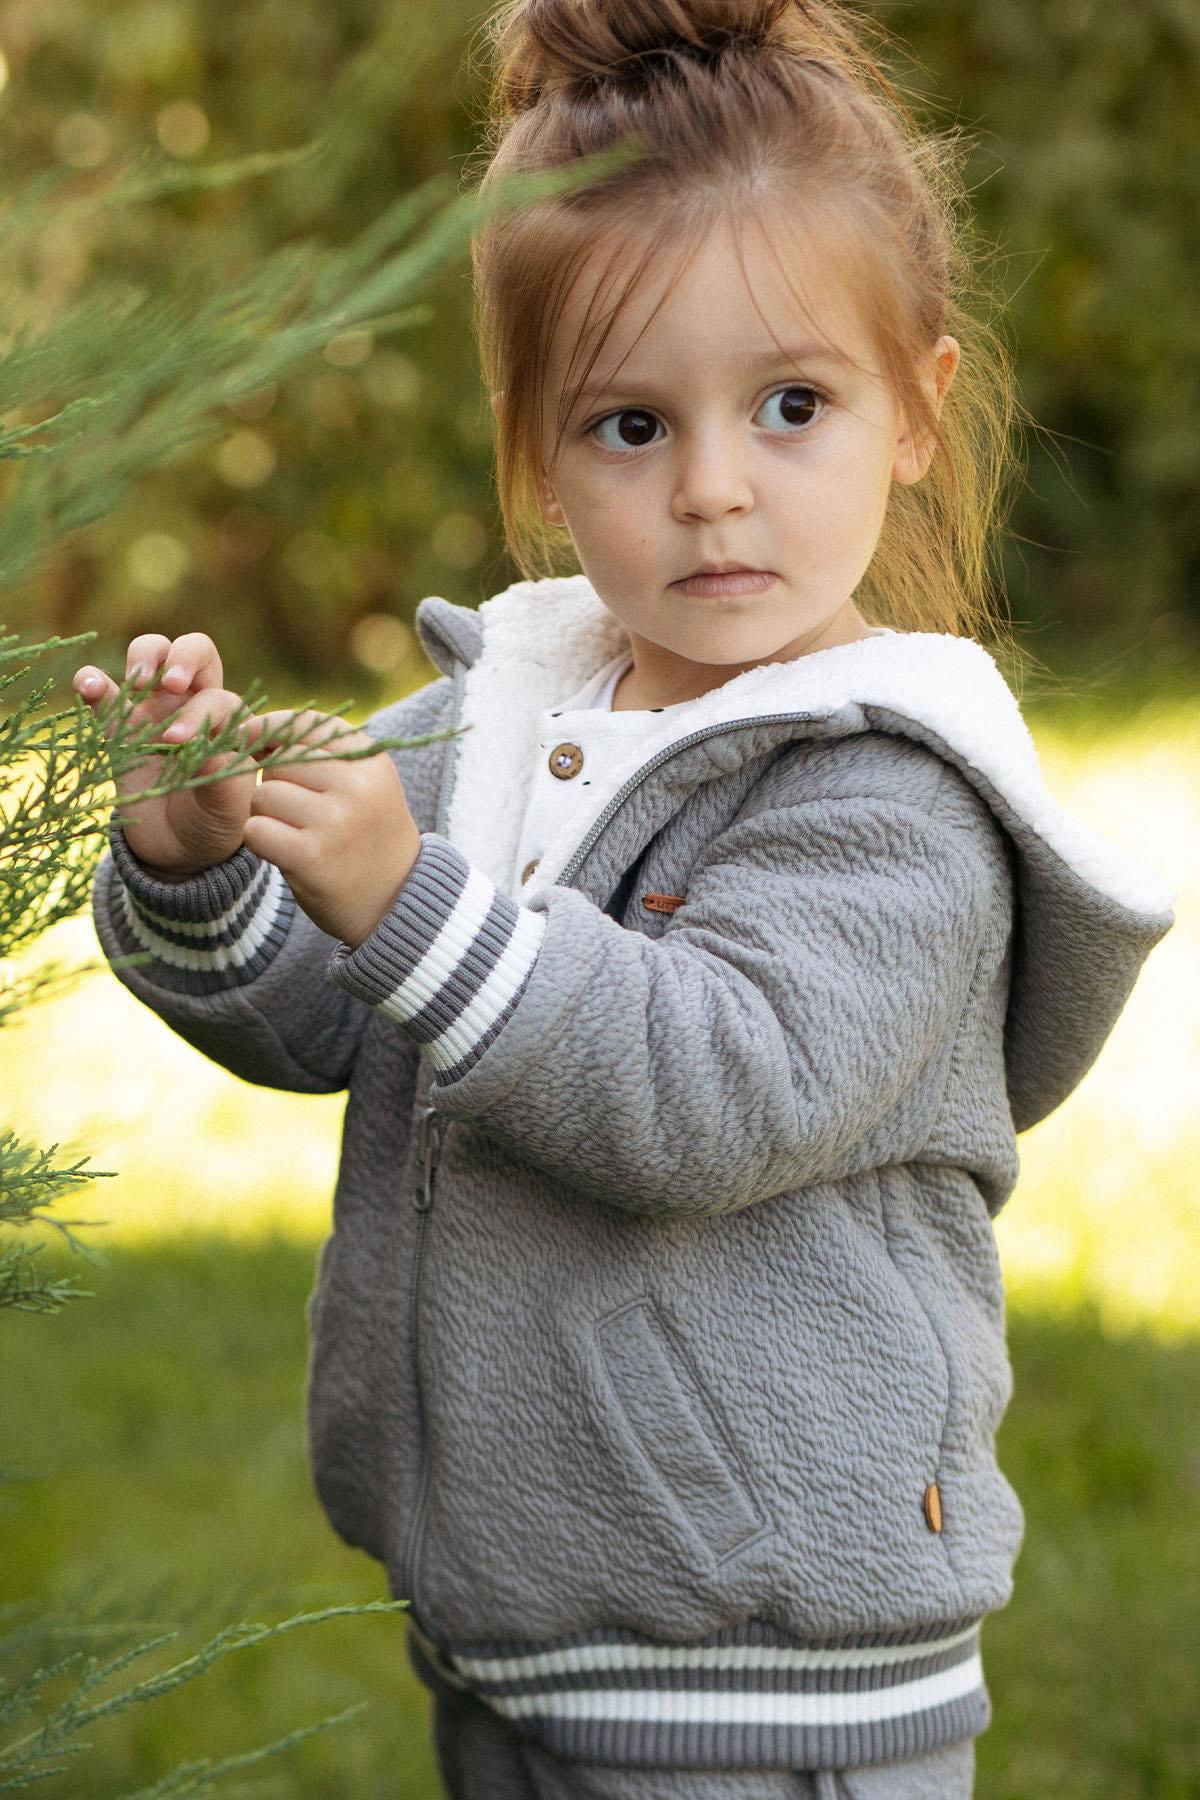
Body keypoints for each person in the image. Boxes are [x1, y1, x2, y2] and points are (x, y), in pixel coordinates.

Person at [76, 2, 1176, 1794]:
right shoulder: (514, 703)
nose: (715, 487)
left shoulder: (890, 789)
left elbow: (706, 1088)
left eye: (793, 405)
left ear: (918, 411)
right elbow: (327, 1020)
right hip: (508, 1611)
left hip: (762, 1662)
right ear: (534, 449)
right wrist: (201, 867)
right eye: (632, 424)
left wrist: (409, 896)